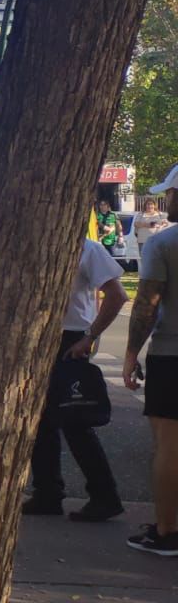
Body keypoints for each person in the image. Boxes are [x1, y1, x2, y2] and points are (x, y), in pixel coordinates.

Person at [22, 237, 127, 521]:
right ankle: (47, 493)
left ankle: (105, 496)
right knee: (41, 419)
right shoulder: (30, 238)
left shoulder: (86, 247)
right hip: (38, 336)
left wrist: (89, 337)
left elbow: (117, 295)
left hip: (70, 339)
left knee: (75, 420)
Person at [124, 163, 178, 556]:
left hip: (172, 354)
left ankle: (166, 531)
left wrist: (130, 355)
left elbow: (146, 306)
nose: (166, 200)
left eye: (171, 193)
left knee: (168, 444)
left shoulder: (165, 244)